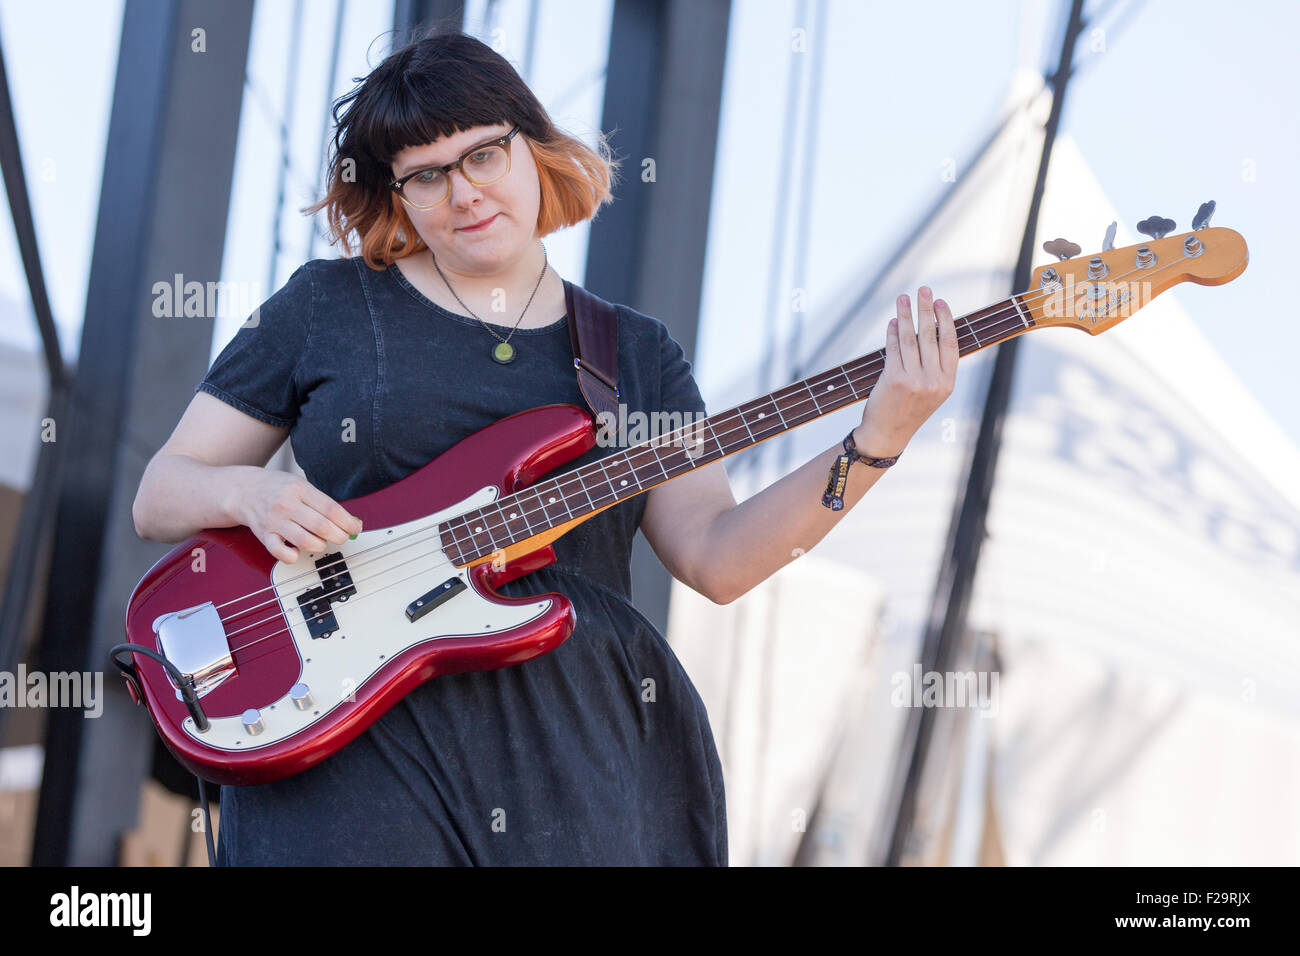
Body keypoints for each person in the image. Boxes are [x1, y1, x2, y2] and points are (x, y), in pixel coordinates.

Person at [131, 30, 958, 866]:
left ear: (534, 148)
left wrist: (878, 439)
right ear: (399, 195)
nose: (463, 192)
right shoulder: (326, 307)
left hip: (567, 744)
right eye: (426, 174)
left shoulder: (633, 353)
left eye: (485, 155)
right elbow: (161, 491)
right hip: (346, 731)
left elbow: (718, 558)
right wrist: (249, 495)